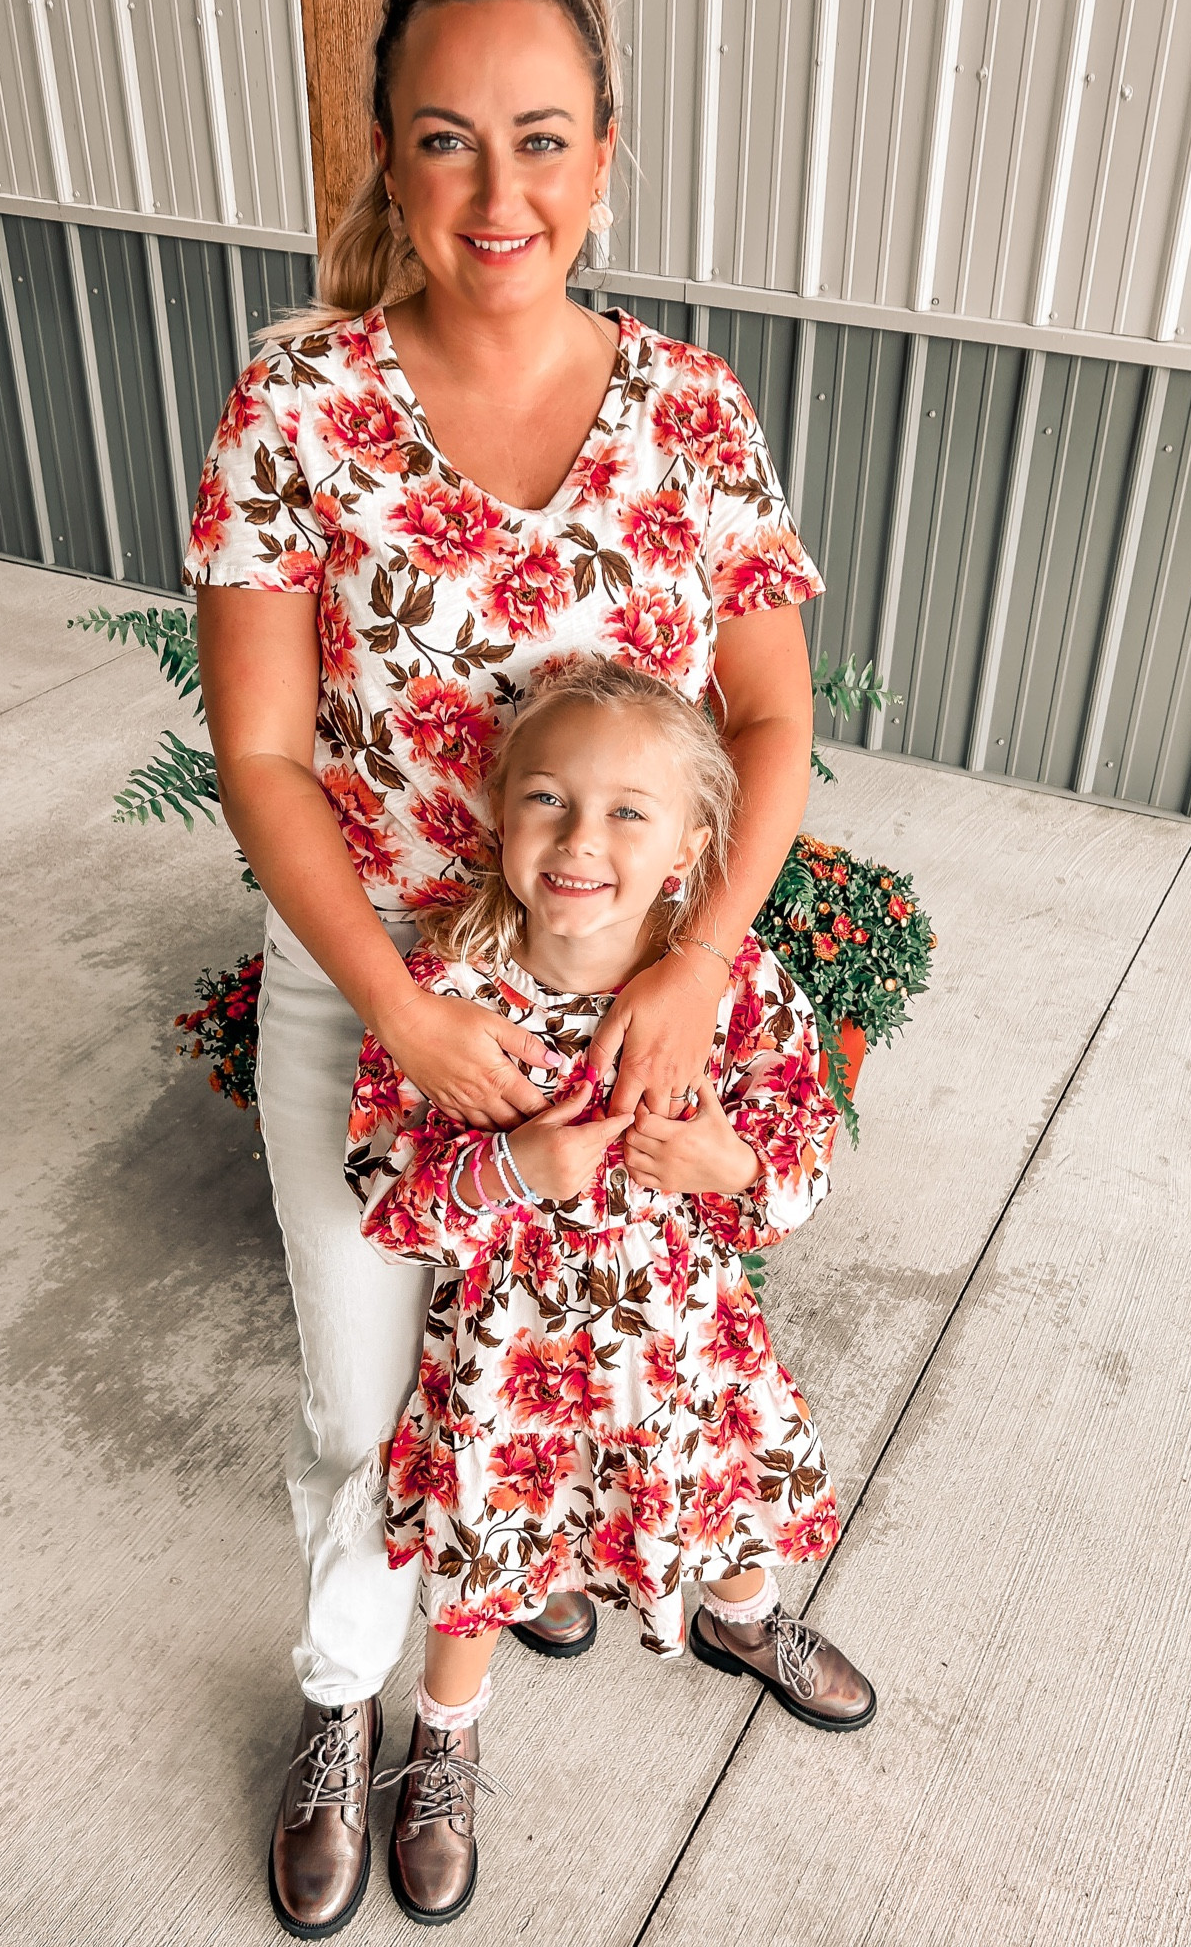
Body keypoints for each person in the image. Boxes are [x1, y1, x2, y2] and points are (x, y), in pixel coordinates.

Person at [188, 0, 826, 1934]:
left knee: (590, 1359)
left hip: (628, 1004)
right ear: (388, 155)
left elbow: (771, 718)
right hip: (375, 998)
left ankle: (470, 1711)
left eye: (542, 138)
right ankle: (342, 1697)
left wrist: (699, 961)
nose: (497, 192)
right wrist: (401, 1004)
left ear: (603, 156)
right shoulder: (298, 406)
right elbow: (263, 753)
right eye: (448, 139)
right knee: (362, 1397)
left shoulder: (691, 412)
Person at [346, 661, 874, 1926]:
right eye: (548, 798)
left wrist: (725, 1164)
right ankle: (444, 1736)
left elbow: (800, 1165)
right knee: (485, 1551)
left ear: (693, 842)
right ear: (497, 810)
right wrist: (512, 1167)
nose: (582, 839)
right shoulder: (449, 997)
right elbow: (385, 1196)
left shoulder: (735, 990)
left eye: (630, 811)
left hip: (680, 1346)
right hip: (505, 1361)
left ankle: (746, 1618)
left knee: (708, 1491)